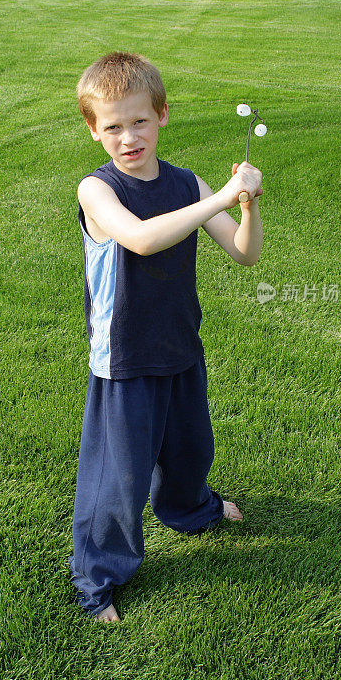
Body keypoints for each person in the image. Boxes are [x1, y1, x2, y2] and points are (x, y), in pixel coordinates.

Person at [68, 52, 263, 623]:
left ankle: (188, 509)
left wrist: (246, 206)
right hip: (124, 354)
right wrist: (220, 199)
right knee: (118, 475)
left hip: (179, 342)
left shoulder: (186, 184)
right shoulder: (96, 190)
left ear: (162, 116)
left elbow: (244, 254)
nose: (129, 137)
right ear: (93, 129)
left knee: (188, 447)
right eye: (113, 126)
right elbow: (143, 239)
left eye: (140, 121)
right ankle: (98, 577)